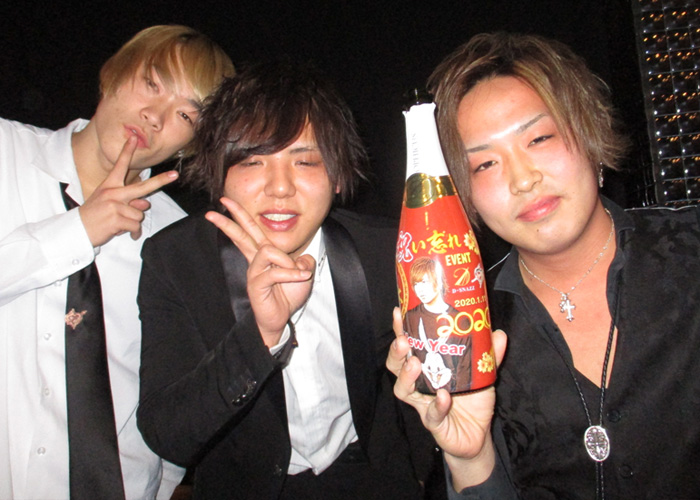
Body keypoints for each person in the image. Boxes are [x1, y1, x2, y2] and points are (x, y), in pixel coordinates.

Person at [387, 31, 700, 500]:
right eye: (484, 165)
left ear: (589, 133)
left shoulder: (688, 252)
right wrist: (472, 458)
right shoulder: (471, 330)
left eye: (538, 138)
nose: (522, 179)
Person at [136, 59, 435, 499]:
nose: (280, 188)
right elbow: (167, 435)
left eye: (306, 161)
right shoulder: (176, 261)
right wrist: (262, 334)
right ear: (219, 175)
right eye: (252, 161)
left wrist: (424, 471)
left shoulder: (389, 250)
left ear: (338, 176)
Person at [0, 25, 234, 499]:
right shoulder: (6, 152)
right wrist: (78, 230)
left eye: (185, 114)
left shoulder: (177, 238)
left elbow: (171, 392)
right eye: (152, 83)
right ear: (113, 73)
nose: (155, 116)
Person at [404, 257, 470, 393]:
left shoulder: (461, 320)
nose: (420, 289)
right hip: (422, 394)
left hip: (459, 392)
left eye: (424, 282)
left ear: (439, 281)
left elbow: (465, 368)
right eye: (416, 284)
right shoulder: (411, 317)